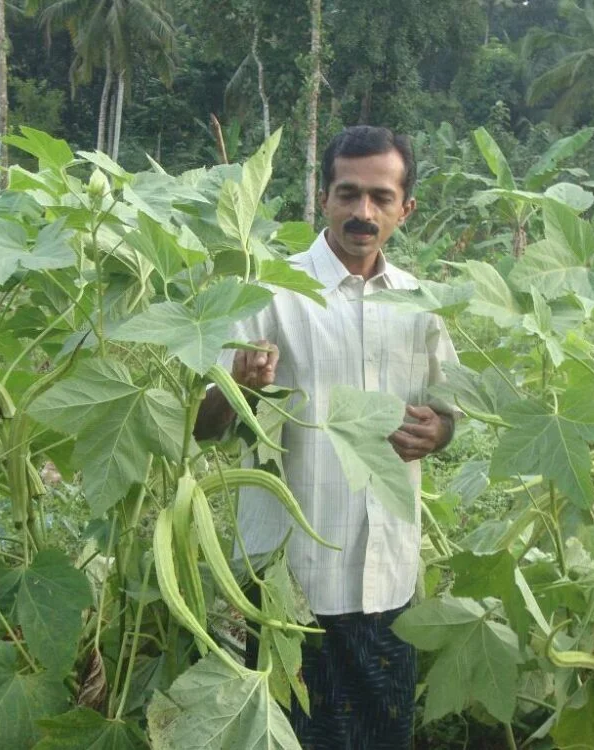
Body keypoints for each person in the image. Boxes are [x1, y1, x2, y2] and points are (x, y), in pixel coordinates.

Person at [195, 125, 459, 749]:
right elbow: (203, 425)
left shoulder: (422, 304)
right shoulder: (269, 291)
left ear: (405, 208)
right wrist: (237, 387)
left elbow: (449, 410)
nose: (362, 212)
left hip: (388, 573)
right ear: (323, 197)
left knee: (384, 736)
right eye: (348, 194)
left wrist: (440, 431)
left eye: (380, 197)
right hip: (294, 582)